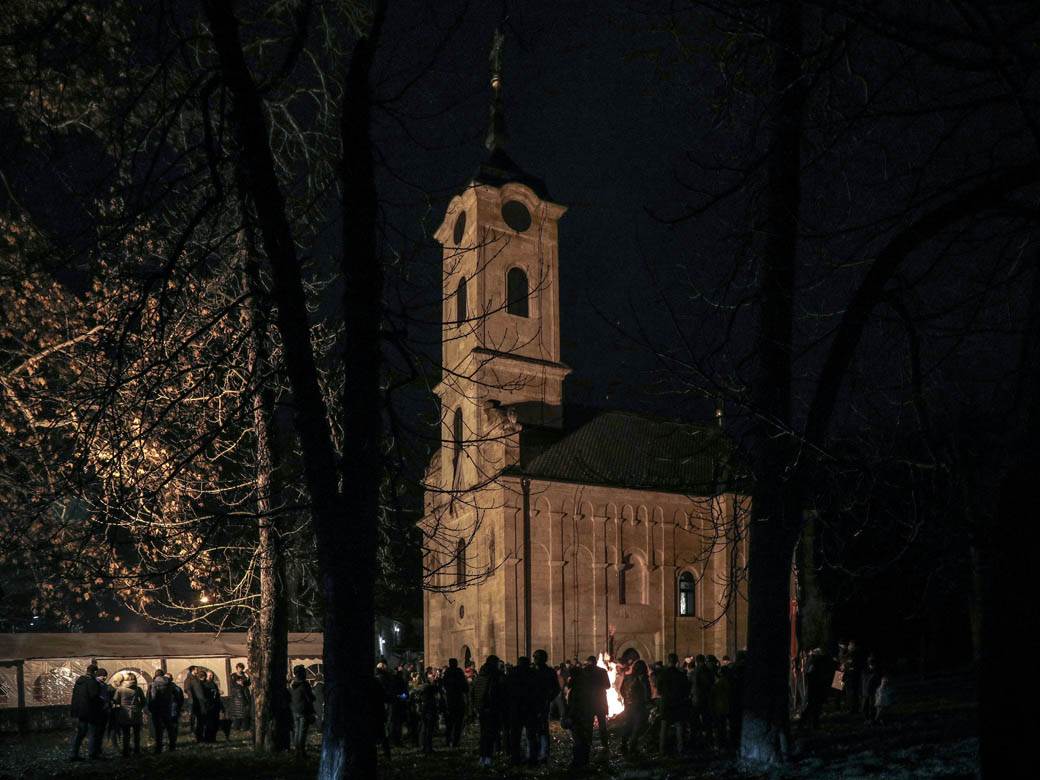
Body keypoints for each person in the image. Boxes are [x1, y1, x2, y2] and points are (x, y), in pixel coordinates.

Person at [470, 654, 504, 768]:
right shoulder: (495, 675)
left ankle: (482, 757)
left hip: (481, 709)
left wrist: (475, 707)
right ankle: (488, 758)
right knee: (491, 734)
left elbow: (472, 692)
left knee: (483, 734)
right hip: (492, 708)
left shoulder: (479, 676)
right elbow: (500, 692)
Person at [529, 648, 561, 764]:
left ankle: (544, 754)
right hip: (532, 704)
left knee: (543, 729)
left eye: (537, 657)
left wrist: (549, 698)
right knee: (532, 730)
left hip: (542, 703)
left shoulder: (549, 672)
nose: (535, 659)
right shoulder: (531, 671)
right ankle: (534, 753)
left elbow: (556, 688)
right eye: (534, 657)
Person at [655, 652, 690, 755]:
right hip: (678, 702)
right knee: (679, 726)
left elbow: (659, 689)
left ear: (668, 661)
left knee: (664, 727)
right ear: (676, 662)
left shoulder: (663, 674)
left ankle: (662, 750)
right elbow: (686, 688)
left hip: (666, 703)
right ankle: (681, 749)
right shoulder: (681, 674)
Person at [69, 664, 105, 761]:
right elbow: (94, 697)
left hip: (80, 711)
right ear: (94, 672)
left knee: (81, 733)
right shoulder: (92, 682)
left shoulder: (79, 681)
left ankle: (74, 753)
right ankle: (92, 754)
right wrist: (103, 701)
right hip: (90, 711)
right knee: (93, 732)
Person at [619, 659, 652, 756]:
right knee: (637, 727)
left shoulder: (627, 677)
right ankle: (632, 748)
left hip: (628, 706)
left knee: (628, 725)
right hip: (638, 706)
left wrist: (626, 700)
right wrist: (648, 702)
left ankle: (624, 744)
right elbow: (647, 693)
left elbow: (621, 690)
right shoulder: (643, 679)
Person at [147, 669, 182, 753]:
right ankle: (172, 746)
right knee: (170, 728)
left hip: (157, 709)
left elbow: (153, 697)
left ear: (155, 675)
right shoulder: (170, 684)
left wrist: (151, 708)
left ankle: (158, 748)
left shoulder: (154, 684)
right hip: (167, 708)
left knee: (158, 729)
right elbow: (177, 695)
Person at [112, 672, 146, 757]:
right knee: (136, 734)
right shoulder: (138, 689)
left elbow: (115, 701)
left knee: (126, 734)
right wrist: (139, 707)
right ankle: (137, 751)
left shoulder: (120, 689)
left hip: (124, 714)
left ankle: (126, 752)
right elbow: (144, 701)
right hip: (136, 713)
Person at [440, 657, 468, 748]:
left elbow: (443, 685)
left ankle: (448, 741)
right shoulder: (459, 672)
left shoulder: (447, 673)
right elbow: (465, 687)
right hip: (458, 701)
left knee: (449, 724)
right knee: (458, 723)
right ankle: (455, 742)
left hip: (449, 701)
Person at [289, 665, 316, 758]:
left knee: (296, 731)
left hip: (294, 709)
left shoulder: (292, 684)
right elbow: (310, 698)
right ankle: (301, 752)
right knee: (302, 732)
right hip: (304, 710)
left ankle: (297, 751)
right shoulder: (304, 684)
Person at [417, 668, 442, 755]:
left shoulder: (426, 686)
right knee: (427, 729)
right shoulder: (427, 686)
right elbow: (435, 689)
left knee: (427, 729)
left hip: (427, 709)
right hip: (428, 709)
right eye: (431, 674)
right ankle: (426, 747)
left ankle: (426, 747)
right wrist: (436, 680)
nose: (432, 676)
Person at [228, 663, 252, 732]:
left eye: (241, 668)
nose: (240, 669)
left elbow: (248, 683)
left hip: (245, 695)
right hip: (237, 698)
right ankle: (236, 728)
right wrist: (239, 684)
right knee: (238, 714)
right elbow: (233, 685)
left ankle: (244, 727)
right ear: (237, 668)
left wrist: (247, 678)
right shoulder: (233, 676)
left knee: (245, 713)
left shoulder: (244, 675)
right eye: (239, 668)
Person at [187, 668, 209, 742]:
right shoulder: (197, 683)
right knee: (201, 722)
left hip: (197, 704)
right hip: (200, 704)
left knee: (199, 721)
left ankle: (199, 737)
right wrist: (206, 701)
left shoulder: (194, 681)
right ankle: (200, 738)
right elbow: (201, 695)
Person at [202, 670, 223, 742]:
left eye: (212, 675)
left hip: (215, 705)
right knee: (209, 723)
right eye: (209, 675)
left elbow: (216, 695)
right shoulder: (204, 684)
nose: (211, 677)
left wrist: (218, 693)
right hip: (209, 706)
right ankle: (207, 739)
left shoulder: (214, 684)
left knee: (215, 723)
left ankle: (213, 738)